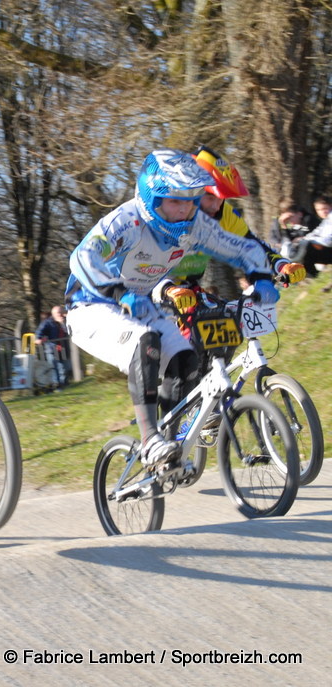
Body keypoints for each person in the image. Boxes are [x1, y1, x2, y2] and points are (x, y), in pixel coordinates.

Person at [65, 149, 283, 469]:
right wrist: (118, 291)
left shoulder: (193, 224)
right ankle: (150, 439)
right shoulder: (126, 222)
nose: (185, 209)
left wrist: (262, 277)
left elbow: (241, 247)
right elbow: (83, 257)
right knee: (146, 343)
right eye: (174, 200)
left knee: (185, 359)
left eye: (192, 199)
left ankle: (171, 445)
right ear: (152, 198)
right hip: (91, 305)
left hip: (140, 303)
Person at [164, 146, 304, 289]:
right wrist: (167, 290)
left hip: (187, 286)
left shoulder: (223, 213)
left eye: (221, 199)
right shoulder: (164, 215)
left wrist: (281, 265)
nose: (216, 207)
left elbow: (252, 246)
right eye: (210, 197)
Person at [35, 305, 70, 388]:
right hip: (52, 348)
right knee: (54, 366)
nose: (61, 315)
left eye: (62, 312)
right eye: (59, 313)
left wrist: (62, 322)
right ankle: (57, 384)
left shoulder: (65, 321)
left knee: (63, 367)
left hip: (63, 347)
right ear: (53, 314)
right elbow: (39, 331)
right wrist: (38, 339)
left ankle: (64, 383)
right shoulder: (48, 322)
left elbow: (68, 331)